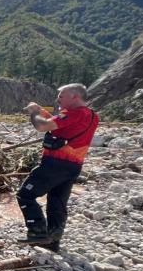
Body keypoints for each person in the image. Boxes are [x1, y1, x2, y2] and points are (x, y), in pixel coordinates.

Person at [17, 84, 99, 251]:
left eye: (61, 96)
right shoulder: (91, 116)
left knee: (25, 195)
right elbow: (59, 124)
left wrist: (34, 113)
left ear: (75, 97)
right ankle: (53, 241)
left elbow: (42, 126)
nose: (58, 99)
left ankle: (38, 232)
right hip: (73, 166)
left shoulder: (75, 113)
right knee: (56, 202)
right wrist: (42, 112)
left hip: (56, 164)